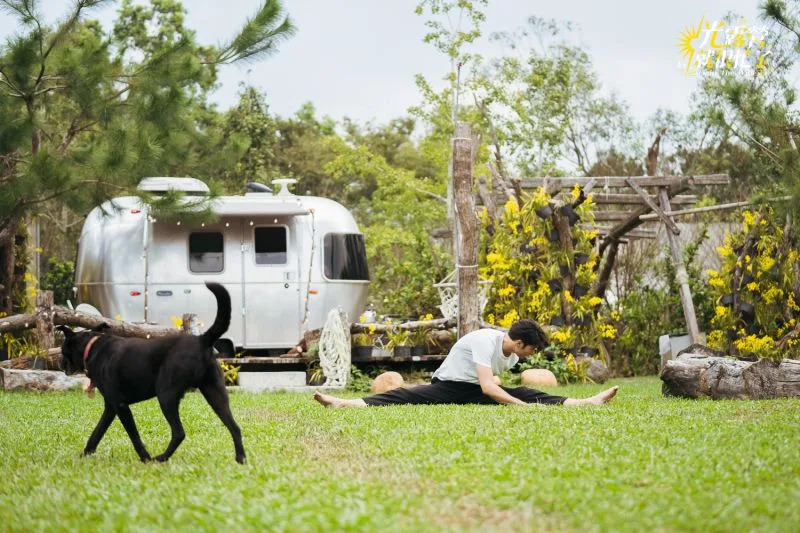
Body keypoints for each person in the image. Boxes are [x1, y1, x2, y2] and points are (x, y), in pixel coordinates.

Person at [313, 319, 618, 408]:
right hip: (447, 387)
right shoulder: (485, 341)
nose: (532, 356)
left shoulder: (510, 354)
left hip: (473, 390)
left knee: (526, 392)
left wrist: (510, 395)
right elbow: (488, 385)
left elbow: (489, 385)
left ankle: (586, 402)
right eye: (532, 350)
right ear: (521, 343)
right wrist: (518, 407)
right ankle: (344, 403)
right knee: (405, 394)